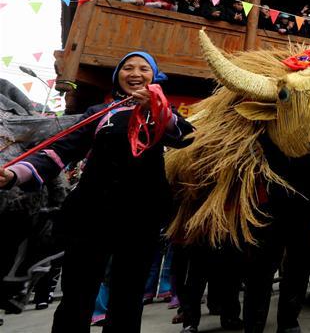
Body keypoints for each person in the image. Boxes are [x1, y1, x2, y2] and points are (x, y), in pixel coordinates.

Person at [0, 52, 193, 332]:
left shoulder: (163, 112)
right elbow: (59, 151)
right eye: (127, 68)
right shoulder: (99, 113)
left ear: (154, 77)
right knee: (77, 294)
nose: (135, 73)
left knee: (127, 297)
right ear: (117, 76)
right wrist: (15, 174)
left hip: (140, 217)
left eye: (143, 69)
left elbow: (186, 137)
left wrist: (157, 109)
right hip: (91, 214)